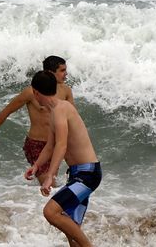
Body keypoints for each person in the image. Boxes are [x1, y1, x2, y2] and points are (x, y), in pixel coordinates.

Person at [24, 71, 101, 247]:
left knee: (51, 212)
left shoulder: (61, 109)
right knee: (71, 231)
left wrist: (50, 175)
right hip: (78, 173)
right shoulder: (54, 112)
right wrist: (36, 166)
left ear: (36, 93)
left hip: (88, 173)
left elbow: (61, 145)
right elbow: (50, 146)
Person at [0, 55, 73, 186]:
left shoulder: (66, 91)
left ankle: (41, 204)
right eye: (62, 70)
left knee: (52, 183)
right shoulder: (32, 92)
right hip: (37, 145)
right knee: (51, 185)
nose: (65, 74)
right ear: (50, 73)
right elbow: (7, 110)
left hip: (55, 144)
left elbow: (71, 118)